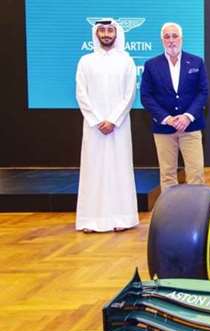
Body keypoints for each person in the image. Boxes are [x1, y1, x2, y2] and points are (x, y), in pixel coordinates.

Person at [75, 19, 139, 232]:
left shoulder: (126, 61)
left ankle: (122, 218)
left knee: (119, 170)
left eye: (109, 30)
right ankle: (90, 220)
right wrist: (96, 120)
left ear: (116, 33)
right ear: (96, 34)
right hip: (93, 128)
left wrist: (112, 120)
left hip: (118, 126)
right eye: (101, 30)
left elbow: (129, 94)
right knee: (94, 171)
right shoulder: (86, 61)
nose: (105, 34)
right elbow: (81, 94)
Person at [141, 22, 209, 192]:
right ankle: (170, 215)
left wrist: (187, 116)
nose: (171, 40)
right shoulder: (151, 65)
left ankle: (195, 214)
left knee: (196, 173)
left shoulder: (196, 62)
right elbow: (146, 96)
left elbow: (203, 92)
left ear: (181, 39)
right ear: (162, 40)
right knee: (167, 175)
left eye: (174, 36)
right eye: (167, 36)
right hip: (163, 129)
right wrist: (167, 118)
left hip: (191, 127)